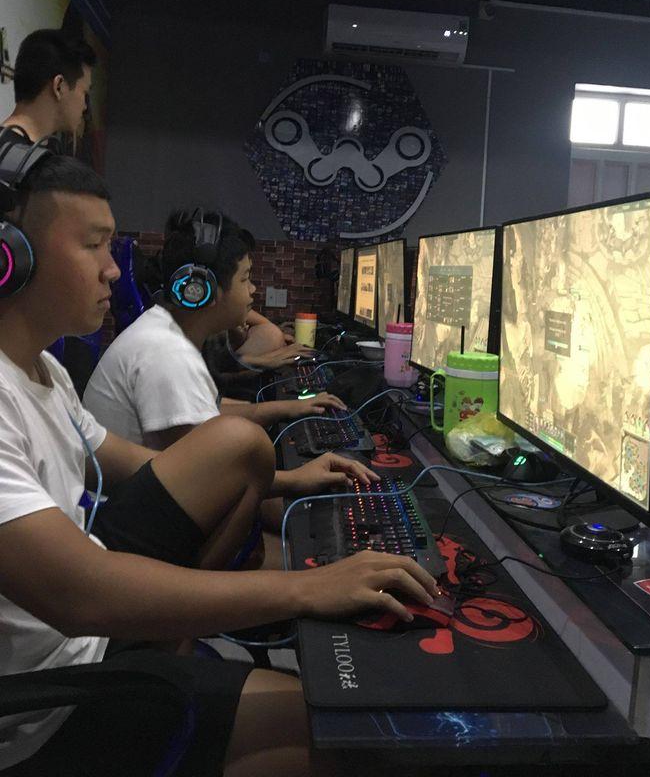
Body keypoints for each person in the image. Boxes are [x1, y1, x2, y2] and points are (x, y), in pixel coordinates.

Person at [0, 148, 438, 776]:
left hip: (82, 619)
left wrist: (288, 479)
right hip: (46, 707)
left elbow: (136, 464)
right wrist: (305, 588)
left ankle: (176, 639)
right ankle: (177, 650)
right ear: (8, 258)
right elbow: (78, 595)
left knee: (237, 444)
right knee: (343, 738)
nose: (113, 271)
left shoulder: (43, 369)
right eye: (93, 246)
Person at [84, 211, 344, 450]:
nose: (253, 289)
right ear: (200, 289)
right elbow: (189, 467)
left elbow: (209, 412)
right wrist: (297, 478)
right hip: (137, 486)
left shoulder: (166, 330)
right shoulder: (167, 353)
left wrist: (291, 407)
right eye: (245, 278)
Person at [1, 29, 95, 143]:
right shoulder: (30, 154)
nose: (85, 106)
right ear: (59, 86)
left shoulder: (9, 147)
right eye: (84, 92)